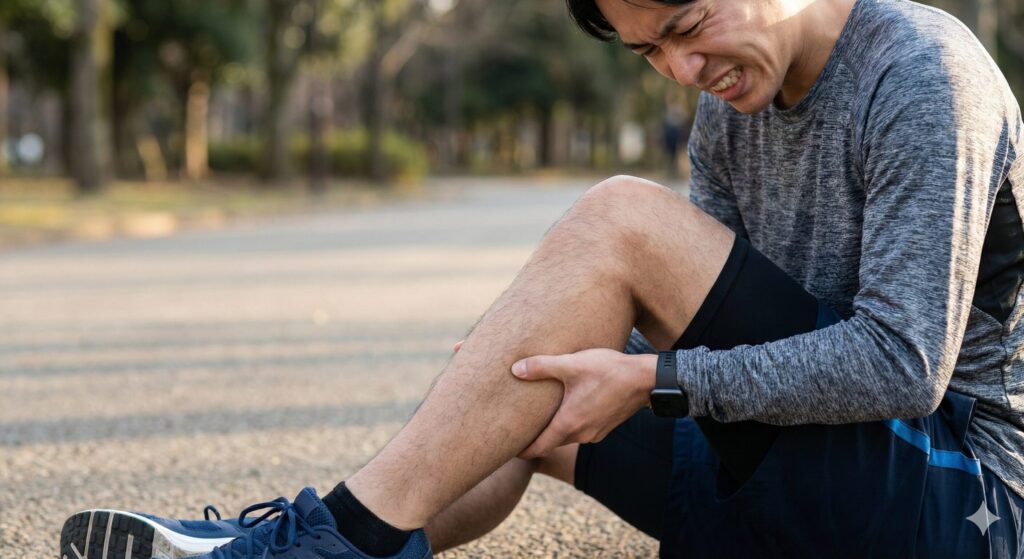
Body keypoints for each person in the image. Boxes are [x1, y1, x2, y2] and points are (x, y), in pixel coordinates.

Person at [60, 0, 1024, 557]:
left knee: (620, 216)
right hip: (812, 481)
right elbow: (710, 323)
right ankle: (311, 544)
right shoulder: (731, 110)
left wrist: (651, 380)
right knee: (512, 402)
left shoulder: (923, 74)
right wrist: (524, 369)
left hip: (959, 501)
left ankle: (318, 552)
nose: (684, 70)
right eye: (652, 51)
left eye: (688, 24)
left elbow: (903, 365)